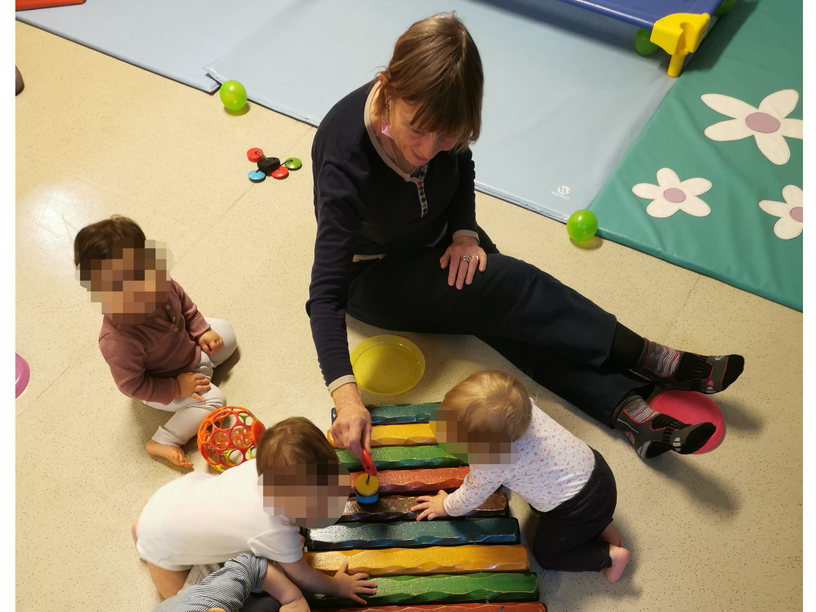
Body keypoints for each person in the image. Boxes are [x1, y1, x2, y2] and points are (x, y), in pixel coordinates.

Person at [307, 12, 743, 461]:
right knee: (514, 287)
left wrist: (463, 232)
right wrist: (347, 398)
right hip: (377, 273)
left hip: (442, 236)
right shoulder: (346, 157)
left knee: (516, 315)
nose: (426, 148)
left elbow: (460, 166)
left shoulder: (441, 118)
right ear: (388, 87)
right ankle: (650, 356)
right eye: (416, 130)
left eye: (446, 135)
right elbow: (325, 295)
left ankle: (629, 411)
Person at [411, 370, 630, 582]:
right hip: (596, 469)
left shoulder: (492, 462)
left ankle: (609, 557)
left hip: (576, 509)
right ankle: (599, 524)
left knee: (547, 557)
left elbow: (471, 497)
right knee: (569, 504)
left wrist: (444, 505)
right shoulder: (520, 408)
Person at [131, 416, 377, 603]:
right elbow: (303, 576)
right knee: (192, 601)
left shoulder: (259, 467)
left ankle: (142, 526)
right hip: (163, 546)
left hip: (169, 497)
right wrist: (339, 587)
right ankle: (145, 541)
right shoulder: (274, 530)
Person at [74, 215, 237, 468]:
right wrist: (175, 388)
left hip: (189, 350)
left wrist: (201, 330)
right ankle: (164, 440)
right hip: (164, 381)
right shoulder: (117, 339)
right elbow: (132, 386)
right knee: (216, 401)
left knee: (226, 333)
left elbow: (184, 304)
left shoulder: (159, 281)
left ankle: (205, 366)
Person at [151, 553, 309, 612]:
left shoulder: (209, 601)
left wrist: (293, 599)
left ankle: (149, 535)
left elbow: (250, 566)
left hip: (196, 596)